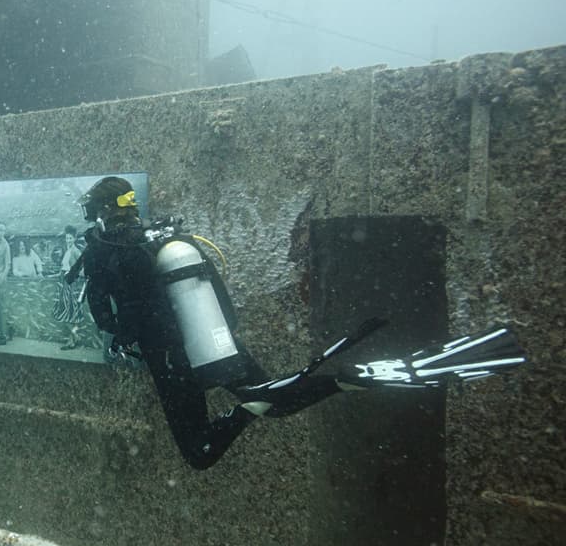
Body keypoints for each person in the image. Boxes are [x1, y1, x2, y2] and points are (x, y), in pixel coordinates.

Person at [70, 175, 527, 470]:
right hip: (214, 343)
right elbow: (223, 303)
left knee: (201, 451)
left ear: (102, 212)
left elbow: (104, 316)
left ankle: (250, 407)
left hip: (171, 362)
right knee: (281, 401)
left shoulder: (101, 253)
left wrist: (127, 337)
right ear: (131, 206)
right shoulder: (166, 242)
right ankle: (347, 378)